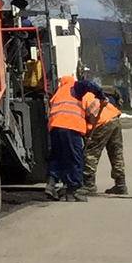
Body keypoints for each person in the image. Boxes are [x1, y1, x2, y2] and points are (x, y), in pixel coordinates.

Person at [78, 83, 128, 196]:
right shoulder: (92, 94)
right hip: (114, 118)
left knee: (91, 154)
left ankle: (89, 185)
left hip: (101, 123)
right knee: (116, 154)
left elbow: (80, 120)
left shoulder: (80, 99)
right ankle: (121, 185)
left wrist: (85, 135)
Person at [46, 74, 87, 202]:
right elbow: (90, 109)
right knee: (74, 158)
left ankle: (51, 184)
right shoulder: (75, 88)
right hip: (71, 126)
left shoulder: (58, 93)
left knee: (56, 156)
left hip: (55, 127)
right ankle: (72, 191)